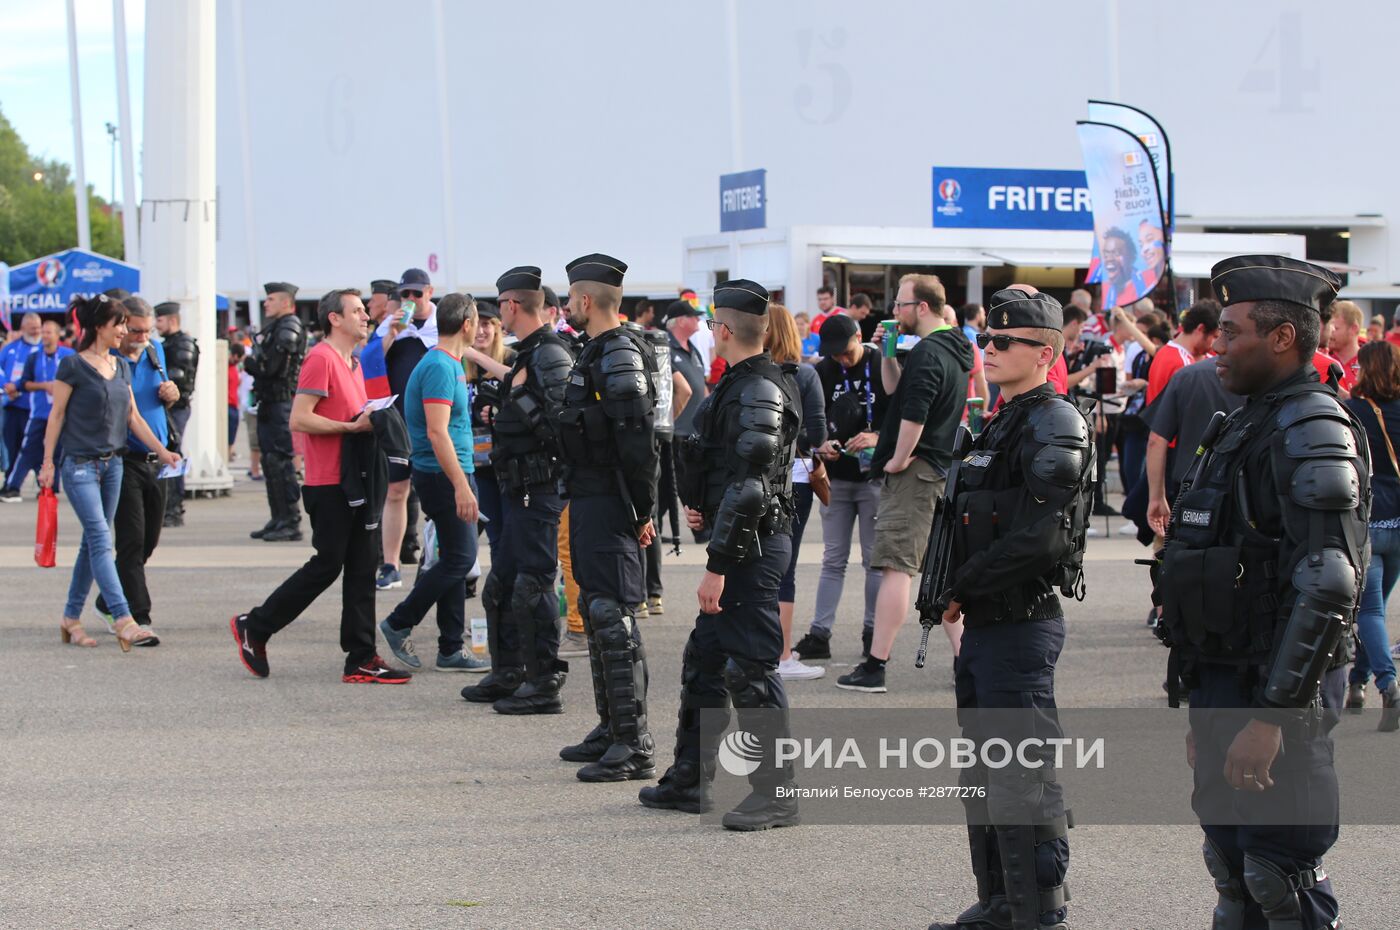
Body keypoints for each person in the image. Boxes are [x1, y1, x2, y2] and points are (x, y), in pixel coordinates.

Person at [1155, 256, 1365, 930]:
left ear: (1281, 338)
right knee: (1233, 867)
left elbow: (1329, 581)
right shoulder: (1243, 423)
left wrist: (1272, 718)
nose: (1216, 342)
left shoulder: (1311, 428)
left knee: (1280, 874)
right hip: (1223, 682)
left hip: (1277, 696)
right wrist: (1199, 705)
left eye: (1232, 329)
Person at [926, 287, 1092, 930]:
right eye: (986, 340)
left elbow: (1046, 534)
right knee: (985, 771)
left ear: (1045, 352)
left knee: (1024, 778)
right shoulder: (1003, 418)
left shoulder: (1055, 420)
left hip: (1020, 620)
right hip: (988, 623)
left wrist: (964, 582)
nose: (988, 350)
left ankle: (1038, 913)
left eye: (1004, 342)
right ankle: (1001, 904)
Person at [642, 278, 803, 830]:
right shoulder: (742, 384)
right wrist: (705, 509)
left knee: (751, 668)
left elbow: (754, 485)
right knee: (706, 662)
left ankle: (777, 793)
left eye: (714, 325)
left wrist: (715, 566)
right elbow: (730, 474)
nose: (710, 332)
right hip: (739, 538)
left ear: (727, 330)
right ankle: (691, 777)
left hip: (750, 550)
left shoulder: (759, 389)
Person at [231, 289, 410, 684]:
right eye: (358, 311)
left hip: (356, 478)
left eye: (365, 310)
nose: (366, 316)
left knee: (363, 567)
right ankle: (255, 626)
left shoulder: (354, 361)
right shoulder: (320, 358)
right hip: (328, 483)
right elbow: (299, 419)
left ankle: (361, 657)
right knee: (327, 565)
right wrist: (351, 426)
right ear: (335, 318)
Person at [837, 274, 973, 693]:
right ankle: (965, 661)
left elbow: (914, 413)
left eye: (900, 305)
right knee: (941, 571)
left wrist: (896, 459)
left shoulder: (931, 352)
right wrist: (888, 352)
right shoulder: (955, 347)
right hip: (940, 470)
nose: (893, 312)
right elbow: (897, 389)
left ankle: (876, 665)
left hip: (916, 472)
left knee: (896, 567)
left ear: (923, 308)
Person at [553, 253, 660, 783]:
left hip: (612, 500)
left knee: (612, 616)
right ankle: (611, 727)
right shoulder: (596, 350)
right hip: (588, 493)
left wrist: (643, 510)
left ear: (587, 300)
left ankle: (634, 743)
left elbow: (639, 443)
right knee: (597, 615)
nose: (567, 305)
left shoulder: (619, 354)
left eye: (572, 297)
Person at [456, 267, 577, 710]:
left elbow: (564, 425)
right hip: (517, 486)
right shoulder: (531, 354)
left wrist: (518, 411)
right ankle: (509, 671)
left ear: (510, 305)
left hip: (539, 487)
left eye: (500, 306)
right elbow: (522, 392)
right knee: (501, 586)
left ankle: (543, 682)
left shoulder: (550, 354)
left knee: (534, 585)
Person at [42, 295, 179, 652]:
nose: (123, 330)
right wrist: (47, 463)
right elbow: (56, 416)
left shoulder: (121, 368)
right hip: (80, 467)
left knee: (92, 543)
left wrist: (164, 452)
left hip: (114, 465)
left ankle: (71, 619)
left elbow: (133, 417)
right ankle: (124, 619)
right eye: (118, 324)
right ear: (99, 327)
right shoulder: (71, 366)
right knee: (102, 539)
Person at [378, 293, 487, 674]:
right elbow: (438, 433)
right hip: (443, 474)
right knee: (460, 558)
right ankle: (399, 621)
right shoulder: (440, 366)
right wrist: (460, 485)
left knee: (455, 559)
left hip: (449, 471)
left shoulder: (450, 362)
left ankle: (450, 647)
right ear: (468, 323)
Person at [796, 313, 889, 662]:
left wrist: (877, 436)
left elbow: (901, 415)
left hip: (874, 478)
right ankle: (820, 633)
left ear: (859, 337)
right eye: (834, 353)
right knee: (833, 559)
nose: (842, 359)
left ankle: (872, 633)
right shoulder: (823, 371)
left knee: (874, 561)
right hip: (835, 479)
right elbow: (807, 424)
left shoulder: (882, 364)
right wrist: (822, 445)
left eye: (846, 352)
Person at [91, 296, 180, 642]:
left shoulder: (155, 350)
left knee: (148, 541)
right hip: (122, 459)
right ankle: (137, 616)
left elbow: (164, 398)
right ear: (120, 326)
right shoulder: (107, 360)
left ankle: (106, 598)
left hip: (156, 461)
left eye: (148, 330)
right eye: (136, 330)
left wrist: (171, 393)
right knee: (131, 540)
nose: (143, 337)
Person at [764, 304, 827, 682]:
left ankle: (761, 647)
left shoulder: (755, 373)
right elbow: (817, 433)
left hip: (757, 477)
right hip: (797, 476)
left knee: (757, 563)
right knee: (785, 565)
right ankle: (782, 653)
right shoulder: (805, 375)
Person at [1342, 340, 1400, 730]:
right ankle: (1357, 683)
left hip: (1369, 520)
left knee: (1370, 611)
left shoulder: (1353, 410)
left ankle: (1388, 682)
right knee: (1375, 610)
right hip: (1399, 522)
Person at [374, 269, 438, 586]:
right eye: (405, 295)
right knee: (396, 491)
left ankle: (438, 558)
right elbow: (368, 364)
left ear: (429, 291)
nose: (411, 300)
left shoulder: (443, 325)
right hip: (398, 421)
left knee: (439, 492)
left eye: (416, 293)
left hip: (435, 422)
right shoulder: (391, 327)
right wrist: (390, 333)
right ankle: (390, 564)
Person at [1144, 358, 1244, 539]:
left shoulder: (1186, 375)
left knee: (1183, 553)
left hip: (1191, 488)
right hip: (1241, 488)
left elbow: (1157, 439)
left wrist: (1156, 497)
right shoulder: (1262, 375)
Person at [244, 282, 308, 541]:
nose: (266, 303)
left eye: (271, 299)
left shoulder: (288, 328)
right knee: (270, 462)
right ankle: (278, 517)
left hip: (281, 402)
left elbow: (273, 368)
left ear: (286, 302)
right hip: (269, 402)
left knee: (280, 462)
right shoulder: (276, 329)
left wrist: (253, 365)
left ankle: (290, 520)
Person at [0, 319, 73, 500]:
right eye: (44, 332)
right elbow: (24, 383)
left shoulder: (68, 356)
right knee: (26, 451)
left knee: (56, 453)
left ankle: (50, 489)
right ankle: (12, 486)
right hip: (38, 413)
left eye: (48, 332)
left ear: (57, 335)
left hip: (61, 414)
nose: (45, 335)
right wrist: (44, 386)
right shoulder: (34, 357)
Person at [466, 300, 513, 557]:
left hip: (508, 464)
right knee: (495, 535)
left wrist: (478, 357)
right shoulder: (462, 365)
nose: (481, 331)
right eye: (476, 325)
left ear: (497, 327)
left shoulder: (510, 359)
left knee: (511, 534)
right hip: (477, 465)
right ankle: (501, 593)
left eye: (487, 324)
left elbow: (515, 379)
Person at [665, 298, 709, 539]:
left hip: (696, 430)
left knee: (682, 485)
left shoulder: (693, 349)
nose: (698, 320)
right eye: (694, 316)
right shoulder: (667, 350)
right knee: (684, 486)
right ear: (680, 321)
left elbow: (701, 387)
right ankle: (702, 532)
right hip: (678, 431)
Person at [153, 301, 199, 528]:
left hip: (177, 406)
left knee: (173, 453)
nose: (156, 324)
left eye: (159, 320)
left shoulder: (183, 345)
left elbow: (177, 376)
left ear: (172, 320)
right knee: (166, 453)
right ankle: (166, 506)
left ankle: (174, 507)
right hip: (167, 407)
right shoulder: (168, 344)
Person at [1145, 299, 1221, 405]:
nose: (1216, 344)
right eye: (1215, 337)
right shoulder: (1183, 364)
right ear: (1200, 329)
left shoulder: (1165, 351)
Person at [1, 313, 44, 474]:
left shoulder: (44, 349)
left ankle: (45, 486)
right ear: (23, 327)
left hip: (36, 408)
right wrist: (6, 385)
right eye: (32, 328)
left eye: (38, 327)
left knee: (35, 447)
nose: (36, 331)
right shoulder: (11, 348)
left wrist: (17, 386)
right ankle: (11, 482)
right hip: (12, 405)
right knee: (12, 444)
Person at [1327, 299, 1364, 393]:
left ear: (1353, 328)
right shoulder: (1323, 362)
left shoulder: (1371, 365)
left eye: (1335, 328)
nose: (1330, 331)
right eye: (1329, 326)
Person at [227, 340, 243, 459]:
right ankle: (228, 452)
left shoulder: (235, 368)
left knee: (233, 431)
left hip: (234, 403)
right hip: (228, 404)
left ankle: (230, 450)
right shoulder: (226, 367)